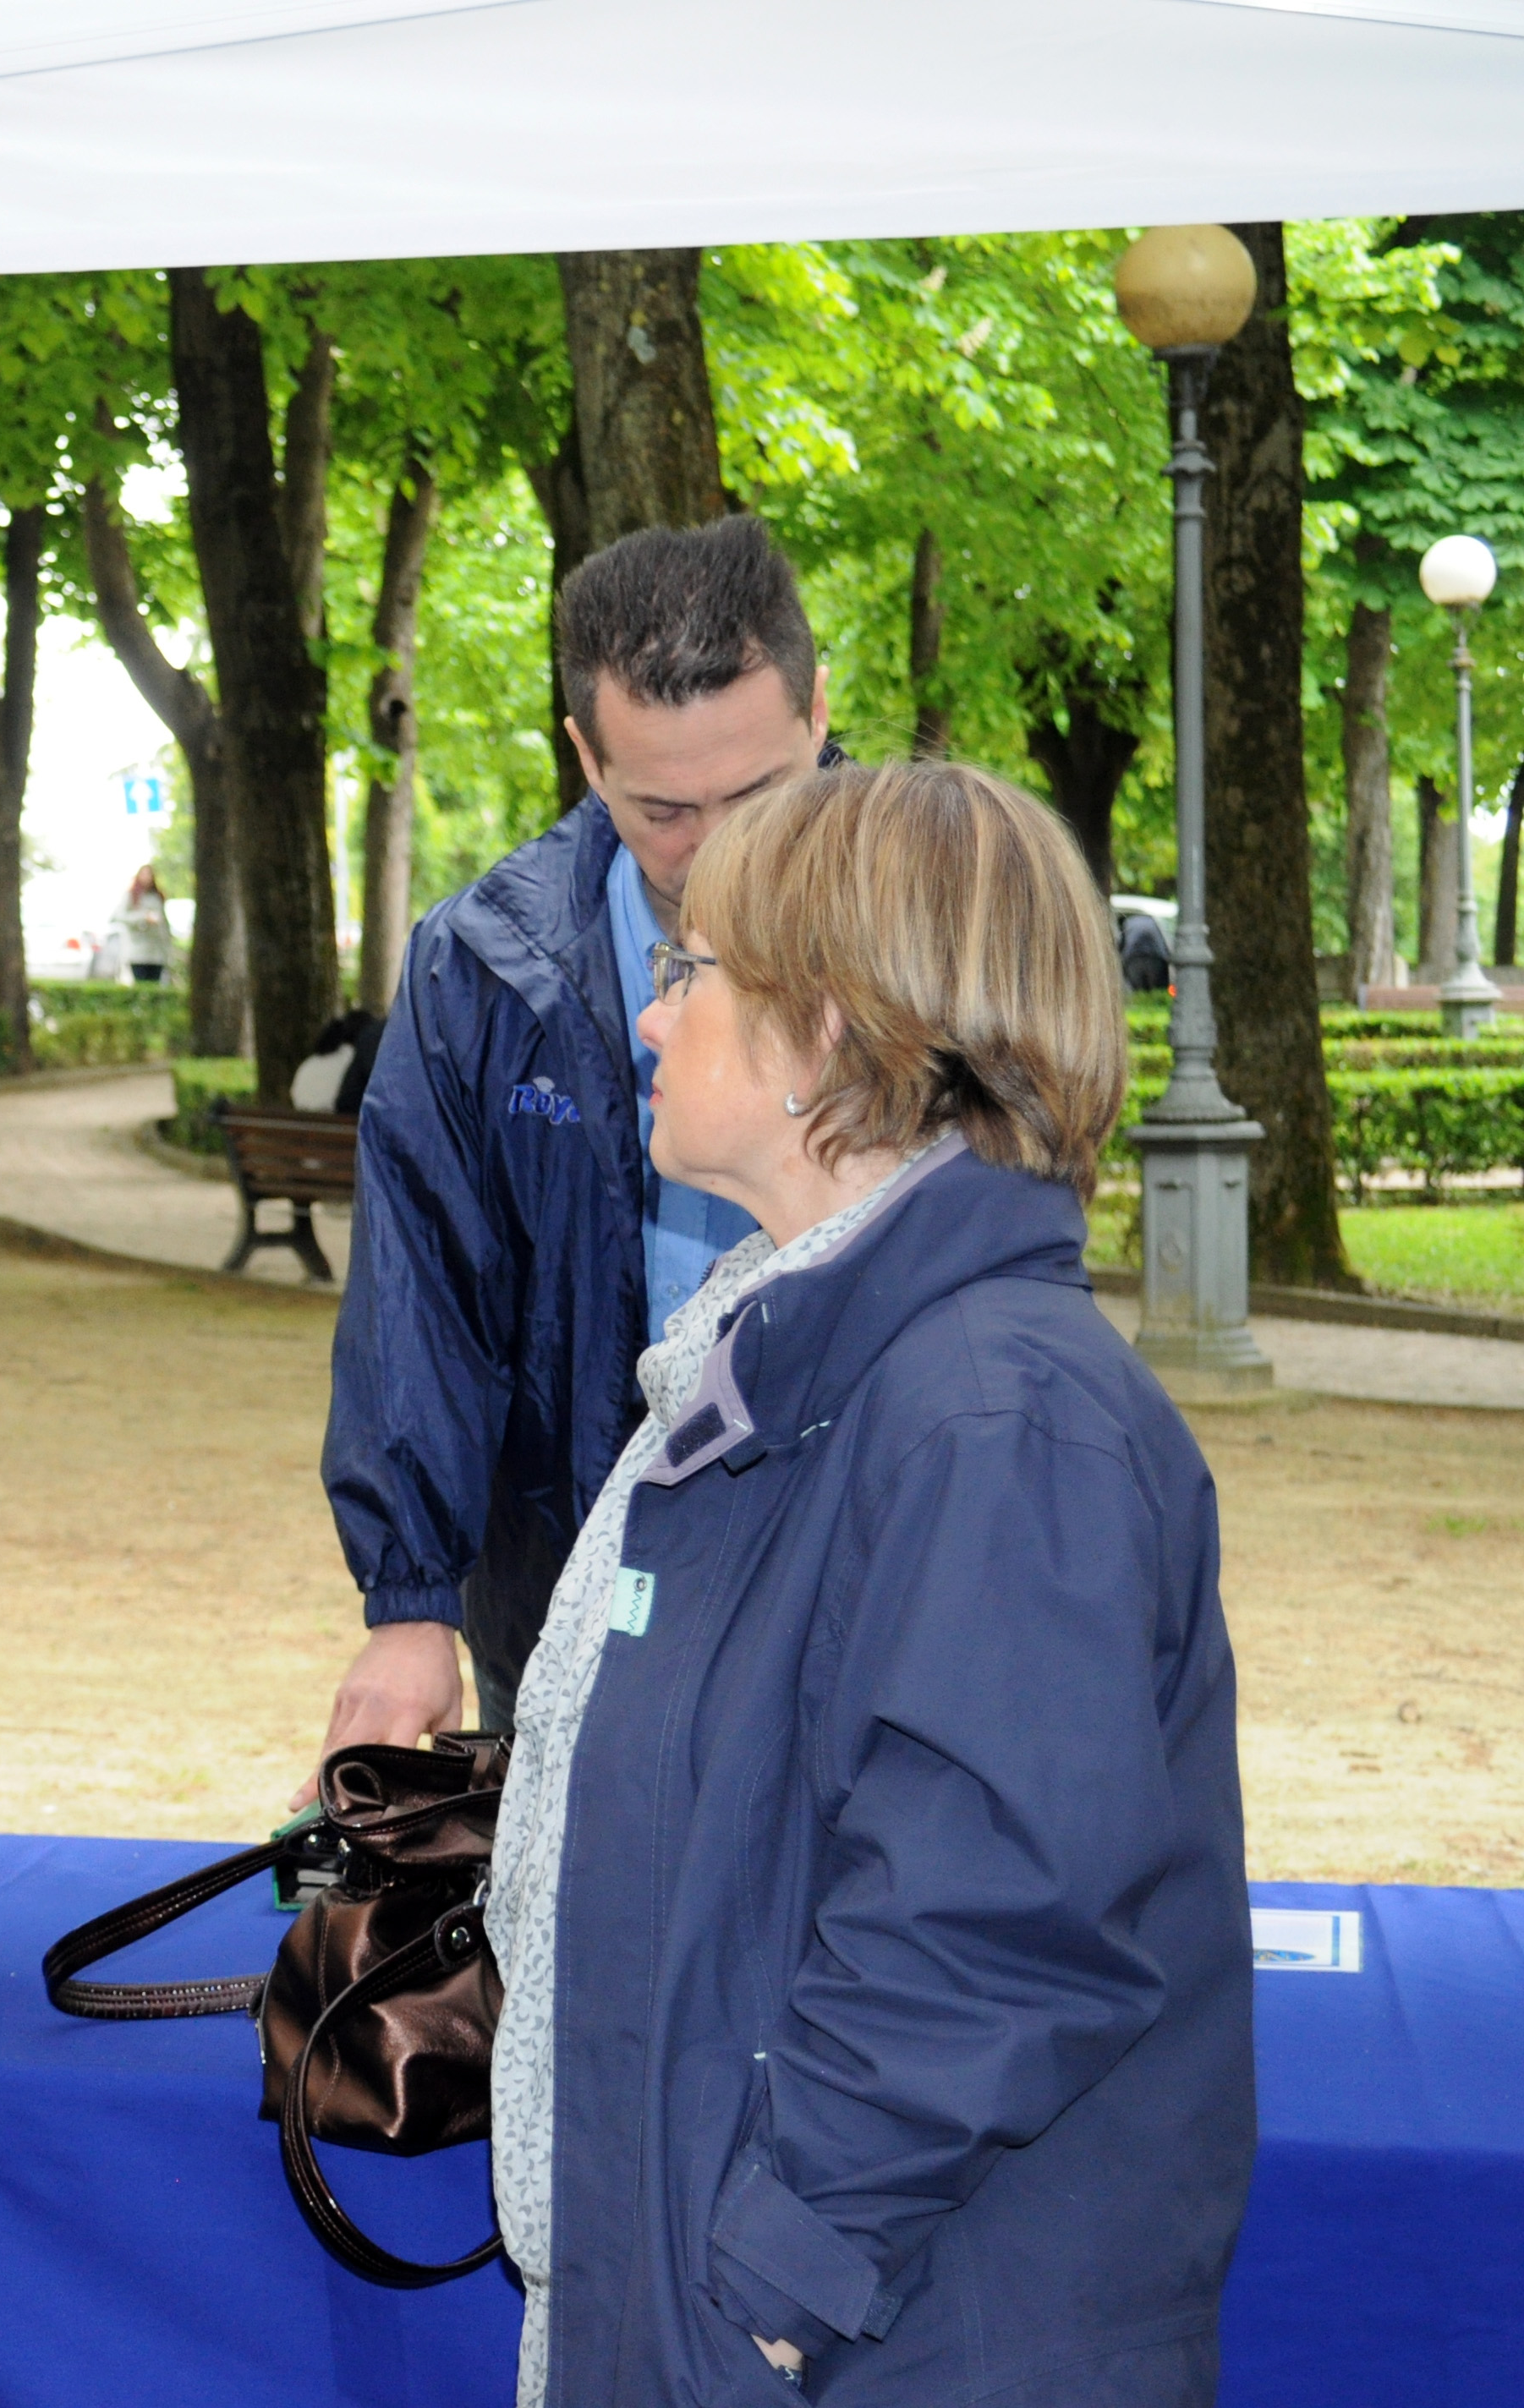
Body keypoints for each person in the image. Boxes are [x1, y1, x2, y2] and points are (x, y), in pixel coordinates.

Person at [486, 758, 1249, 2404]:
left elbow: (989, 1930)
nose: (647, 1014)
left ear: (822, 1030)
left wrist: (763, 2290)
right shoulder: (792, 1365)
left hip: (881, 2349)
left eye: (689, 969)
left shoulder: (990, 1414)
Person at [317, 516, 835, 1752]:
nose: (721, 847)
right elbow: (422, 1289)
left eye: (757, 794)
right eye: (665, 809)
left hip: (850, 1578)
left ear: (819, 715)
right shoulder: (478, 970)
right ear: (586, 759)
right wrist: (409, 1602)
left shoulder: (940, 941)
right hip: (565, 1598)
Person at [114, 862, 173, 984]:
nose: (147, 877)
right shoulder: (131, 896)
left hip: (157, 953)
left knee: (155, 986)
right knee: (141, 984)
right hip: (138, 952)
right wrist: (143, 917)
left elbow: (164, 924)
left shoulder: (157, 897)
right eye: (144, 874)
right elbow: (120, 916)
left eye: (150, 874)